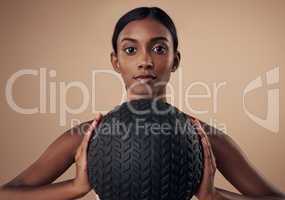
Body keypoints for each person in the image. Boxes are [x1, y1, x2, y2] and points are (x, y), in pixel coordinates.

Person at [0, 6, 284, 200]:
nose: (145, 60)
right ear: (116, 61)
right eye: (130, 49)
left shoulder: (203, 138)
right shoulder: (90, 136)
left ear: (175, 60)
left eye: (159, 48)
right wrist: (75, 187)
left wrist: (213, 196)